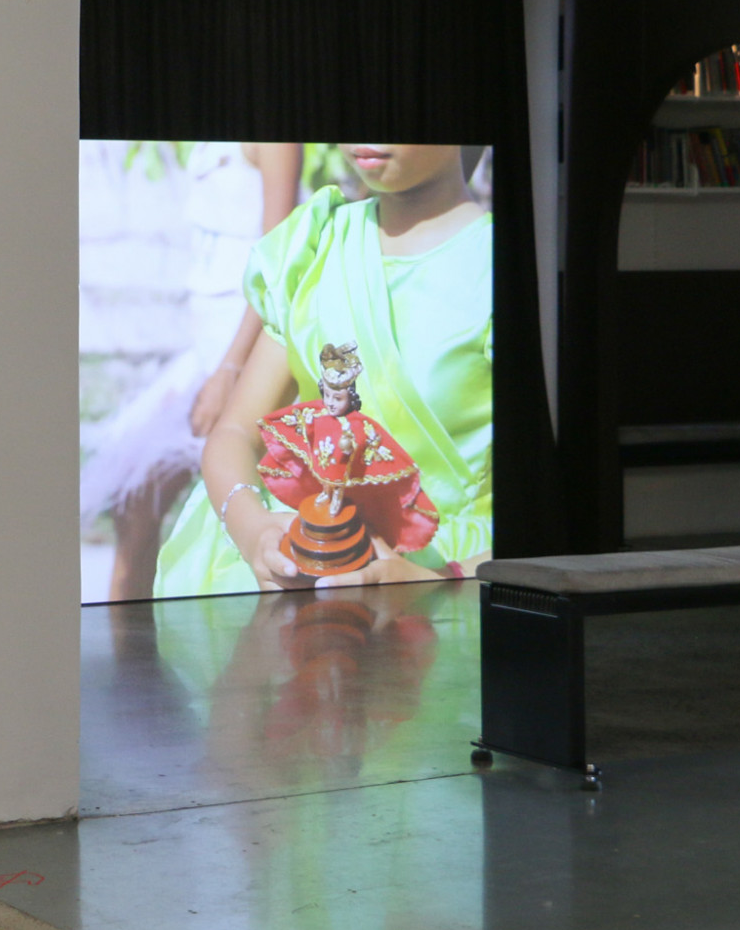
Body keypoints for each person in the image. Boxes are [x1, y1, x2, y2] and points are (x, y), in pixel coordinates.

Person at [155, 143, 493, 597]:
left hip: (454, 585)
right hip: (306, 572)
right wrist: (255, 531)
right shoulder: (314, 248)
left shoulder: (500, 268)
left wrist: (439, 583)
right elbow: (234, 433)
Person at [80, 142, 303, 601]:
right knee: (134, 500)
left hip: (242, 351)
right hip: (204, 351)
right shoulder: (203, 144)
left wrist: (231, 369)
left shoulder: (274, 141)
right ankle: (128, 641)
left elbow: (275, 264)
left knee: (208, 505)